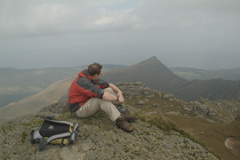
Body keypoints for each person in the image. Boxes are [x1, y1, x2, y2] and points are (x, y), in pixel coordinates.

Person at [68, 62, 136, 132]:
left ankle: (122, 110)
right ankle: (119, 120)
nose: (100, 76)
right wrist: (118, 98)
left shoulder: (90, 78)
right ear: (95, 75)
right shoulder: (83, 82)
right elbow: (103, 96)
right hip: (80, 110)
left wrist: (119, 93)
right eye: (100, 74)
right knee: (101, 99)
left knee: (109, 90)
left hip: (87, 101)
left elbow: (109, 85)